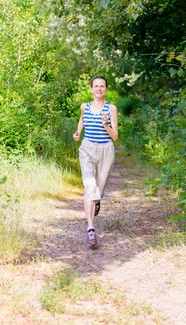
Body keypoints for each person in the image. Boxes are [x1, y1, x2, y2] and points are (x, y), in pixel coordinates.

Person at [73, 76, 118, 248]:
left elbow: (115, 136)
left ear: (106, 89)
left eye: (102, 86)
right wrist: (78, 132)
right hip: (87, 149)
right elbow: (82, 119)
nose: (99, 89)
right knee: (90, 186)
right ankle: (90, 228)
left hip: (106, 150)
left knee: (98, 189)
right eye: (96, 86)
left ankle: (97, 200)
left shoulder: (111, 108)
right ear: (91, 89)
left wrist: (106, 124)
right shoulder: (84, 106)